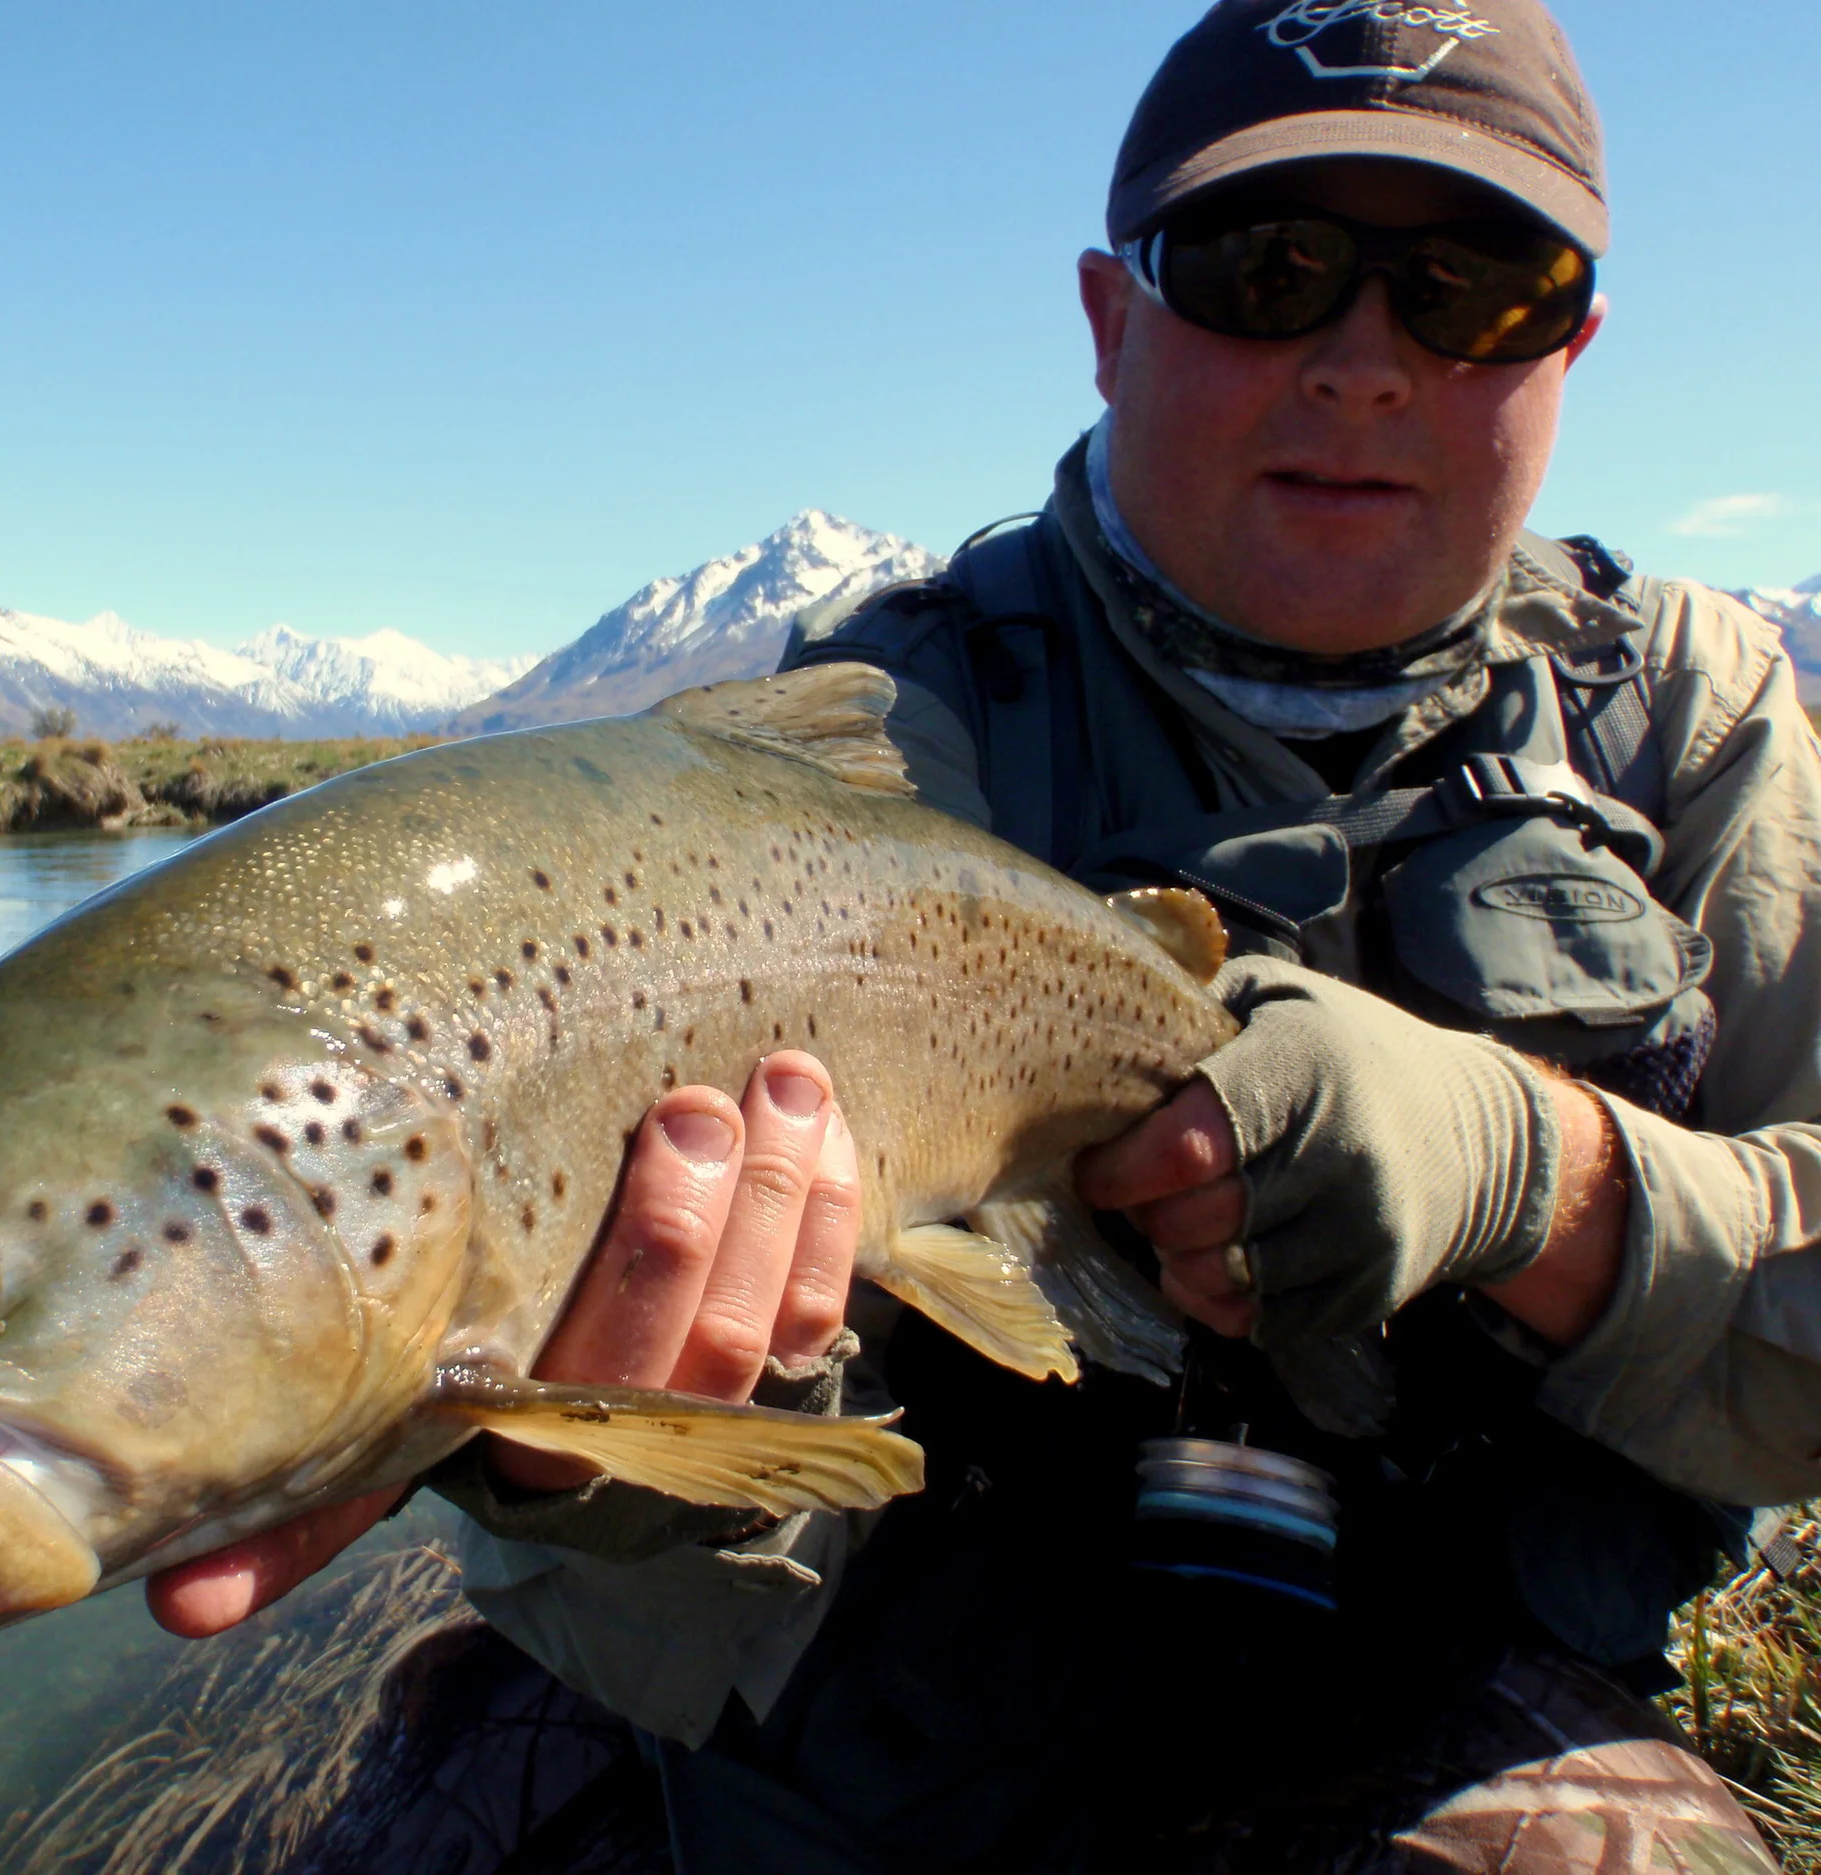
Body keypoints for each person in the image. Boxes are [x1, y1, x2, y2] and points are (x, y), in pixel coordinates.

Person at [147, 4, 1821, 1867]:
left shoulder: (1693, 714)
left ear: (1577, 344)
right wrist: (587, 1460)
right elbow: (745, 1483)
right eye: (1266, 269)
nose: (1363, 361)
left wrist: (1542, 1178)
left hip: (1449, 1690)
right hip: (901, 1667)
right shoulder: (878, 731)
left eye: (1476, 287)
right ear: (1114, 320)